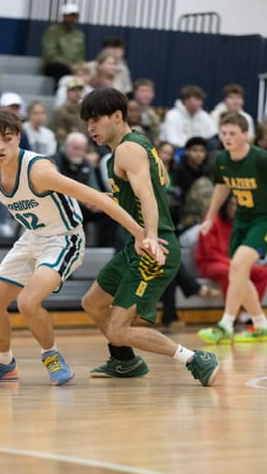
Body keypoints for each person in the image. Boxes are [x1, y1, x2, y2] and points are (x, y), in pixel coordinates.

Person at [0, 108, 156, 385]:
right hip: (32, 237)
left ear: (18, 138)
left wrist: (139, 232)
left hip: (64, 238)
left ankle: (51, 356)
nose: (1, 146)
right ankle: (3, 363)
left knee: (27, 302)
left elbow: (96, 197)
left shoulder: (39, 171)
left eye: (7, 139)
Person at [79, 87, 219, 385]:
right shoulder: (138, 143)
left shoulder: (128, 149)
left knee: (118, 329)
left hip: (153, 246)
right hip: (136, 245)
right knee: (93, 302)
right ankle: (125, 362)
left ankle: (195, 359)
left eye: (95, 120)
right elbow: (161, 180)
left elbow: (148, 196)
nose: (90, 127)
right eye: (87, 122)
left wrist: (151, 236)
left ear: (117, 116)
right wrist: (111, 199)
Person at [197, 112, 267, 344]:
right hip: (243, 218)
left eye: (232, 133)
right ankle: (261, 325)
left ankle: (225, 325)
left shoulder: (262, 159)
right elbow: (221, 187)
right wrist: (209, 217)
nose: (227, 138)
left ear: (245, 135)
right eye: (224, 133)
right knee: (238, 271)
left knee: (238, 265)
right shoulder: (222, 159)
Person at [195, 194, 267, 304]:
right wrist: (234, 263)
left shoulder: (240, 223)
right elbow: (210, 254)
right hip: (210, 263)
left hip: (233, 262)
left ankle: (249, 310)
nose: (235, 208)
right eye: (232, 204)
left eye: (239, 206)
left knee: (264, 272)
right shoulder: (211, 220)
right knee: (229, 271)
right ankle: (231, 310)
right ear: (225, 204)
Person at [160, 84, 218, 150]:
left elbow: (212, 134)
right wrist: (191, 147)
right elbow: (172, 140)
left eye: (201, 100)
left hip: (199, 150)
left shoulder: (204, 115)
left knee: (213, 143)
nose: (200, 102)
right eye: (197, 99)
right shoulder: (172, 115)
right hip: (177, 150)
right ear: (186, 100)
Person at [41, 3, 86, 86]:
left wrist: (79, 66)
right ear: (63, 16)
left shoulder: (79, 34)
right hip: (55, 65)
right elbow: (50, 55)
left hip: (74, 67)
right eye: (69, 15)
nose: (72, 18)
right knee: (61, 69)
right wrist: (70, 65)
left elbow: (81, 55)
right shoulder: (53, 31)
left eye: (74, 16)